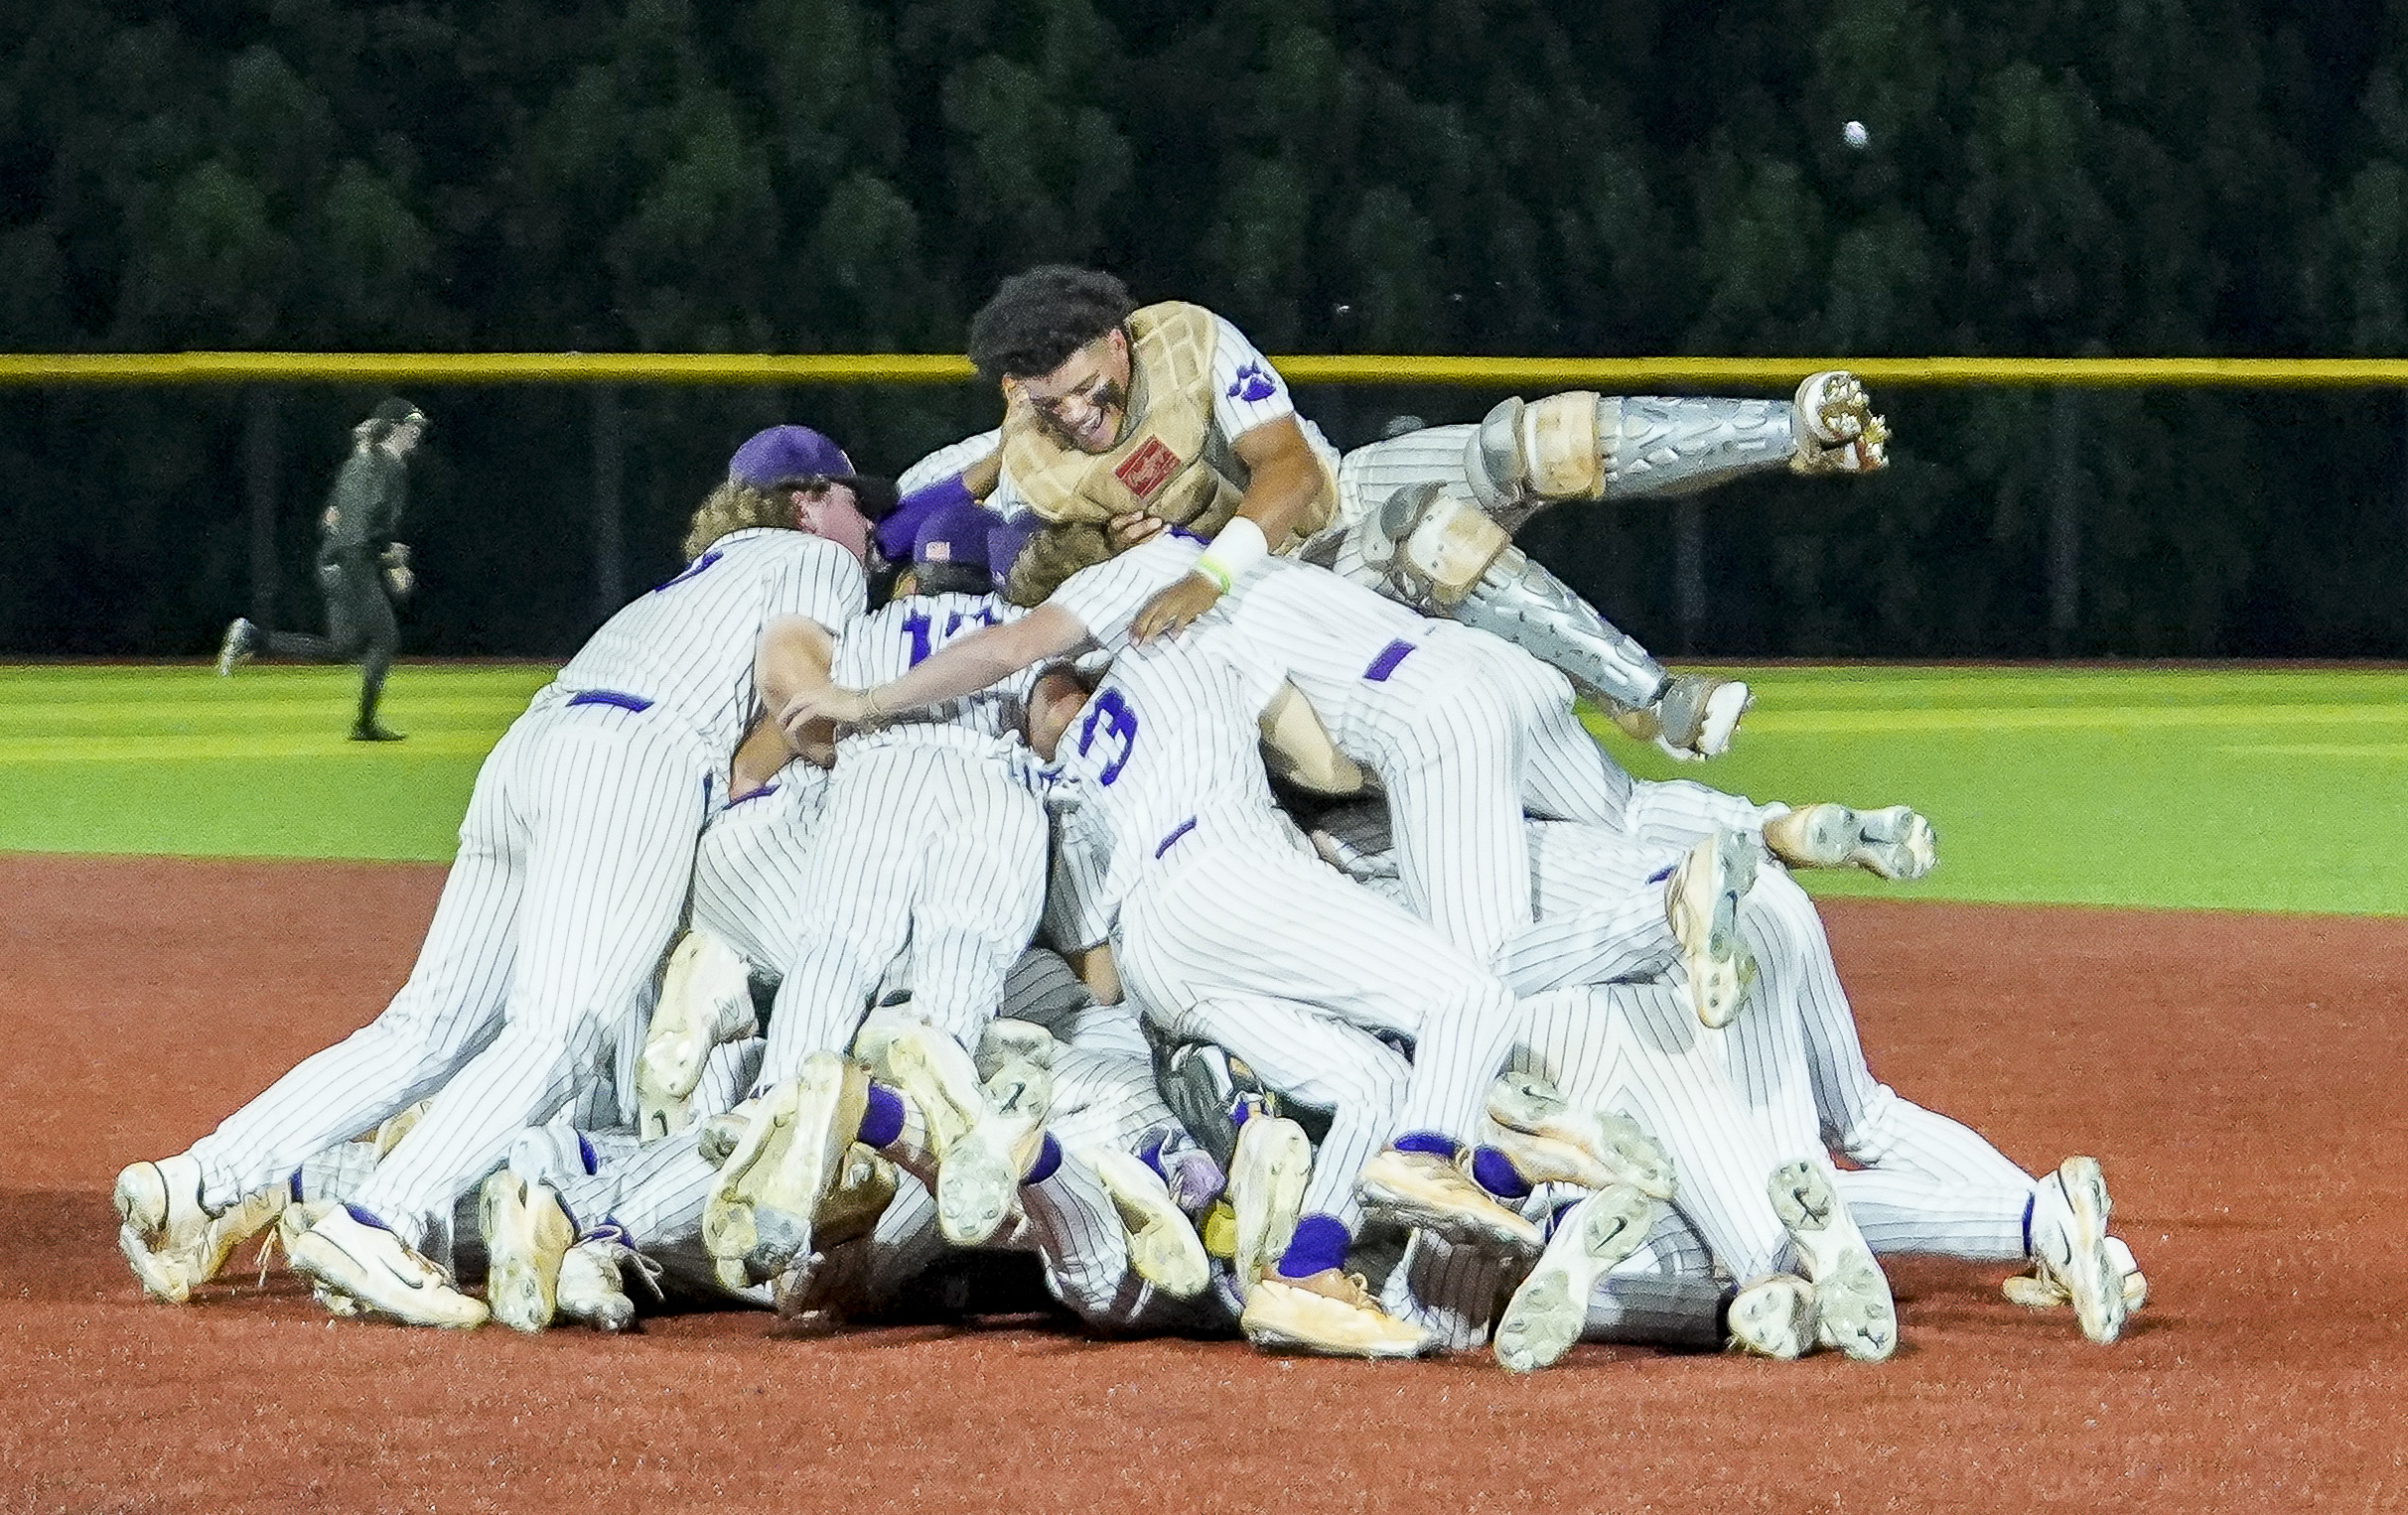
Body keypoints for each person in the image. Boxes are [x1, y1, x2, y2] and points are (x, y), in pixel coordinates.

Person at [115, 424, 890, 1325]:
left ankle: (197, 1178)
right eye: (851, 500)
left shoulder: (701, 574)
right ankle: (382, 1218)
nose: (866, 523)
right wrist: (861, 715)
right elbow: (795, 683)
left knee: (425, 1025)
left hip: (532, 747)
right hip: (632, 759)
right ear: (802, 502)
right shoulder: (808, 558)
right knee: (562, 1032)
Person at [892, 265, 1890, 757]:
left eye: (1078, 383)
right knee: (1432, 532)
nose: (1074, 412)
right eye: (1044, 398)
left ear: (1114, 341)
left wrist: (1204, 567)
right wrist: (975, 478)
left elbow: (1283, 471)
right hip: (1289, 594)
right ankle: (1648, 698)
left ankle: (1793, 431)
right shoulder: (1028, 458)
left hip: (1324, 498)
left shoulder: (1186, 340)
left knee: (1528, 442)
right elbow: (909, 523)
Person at [216, 397, 429, 742]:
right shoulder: (376, 466)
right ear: (393, 427)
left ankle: (254, 637)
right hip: (349, 564)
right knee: (386, 637)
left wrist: (386, 553)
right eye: (411, 426)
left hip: (342, 561)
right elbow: (357, 530)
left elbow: (337, 516)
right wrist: (391, 560)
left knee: (340, 649)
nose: (416, 433)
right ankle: (364, 724)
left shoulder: (377, 464)